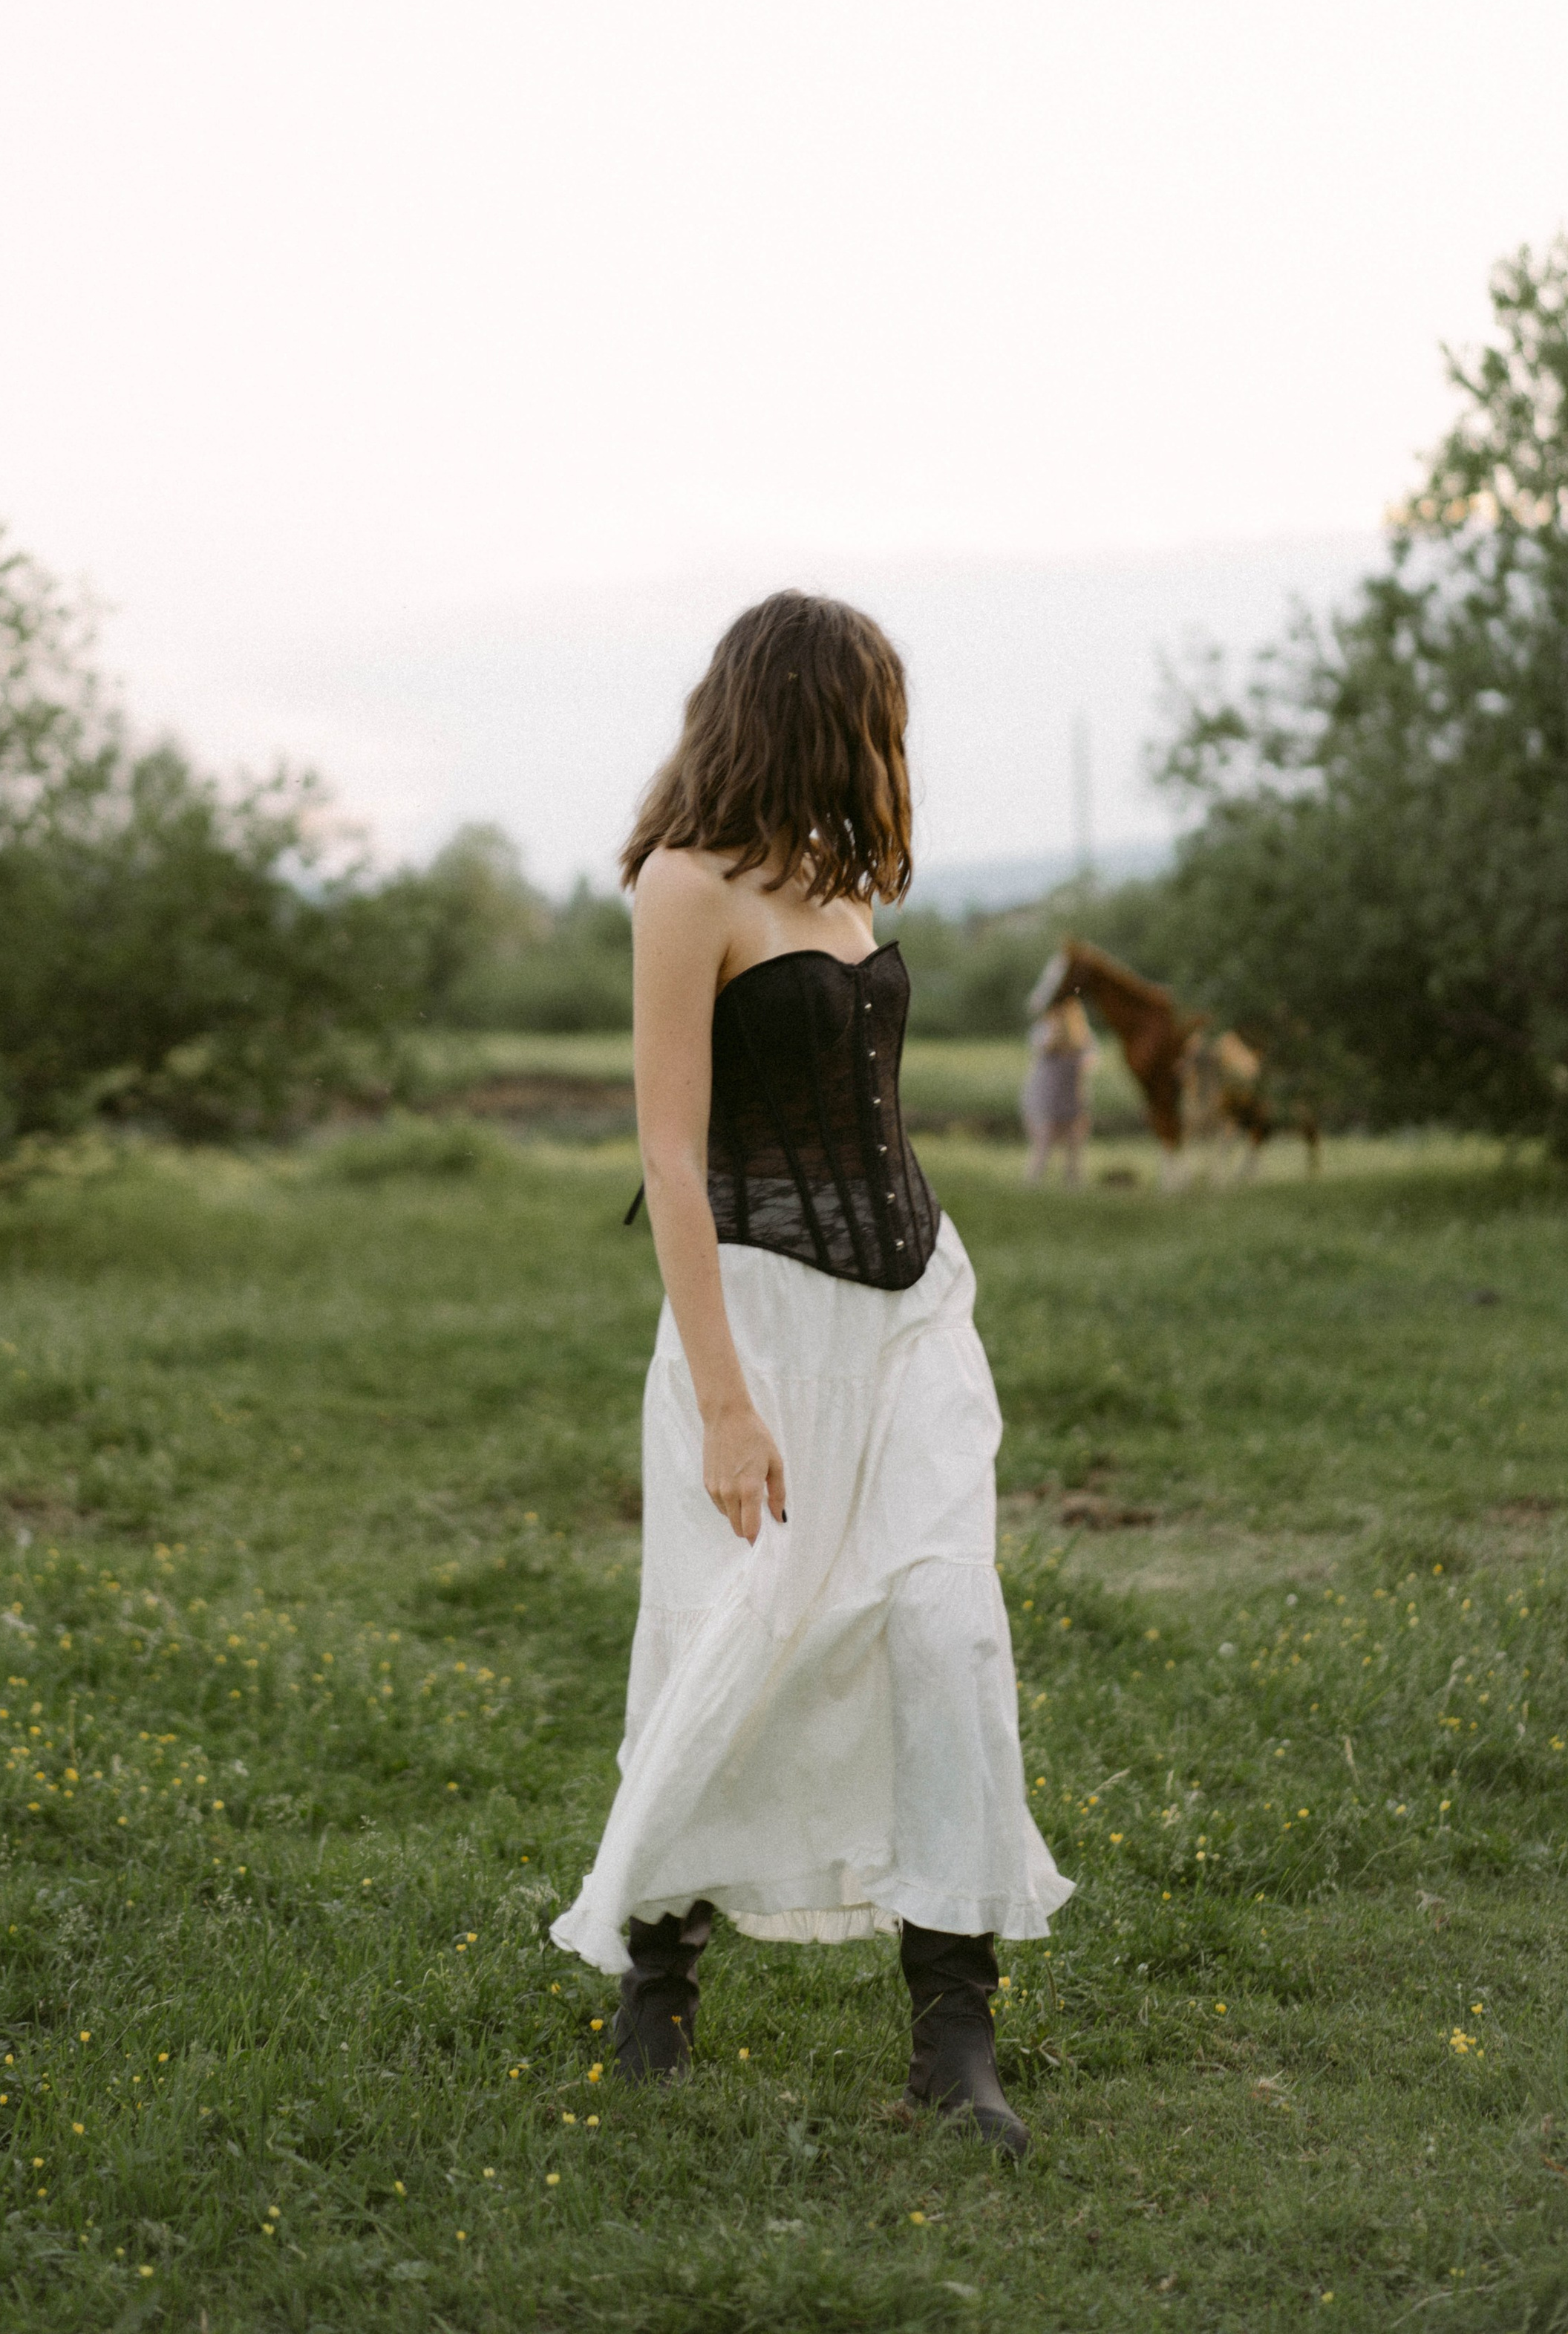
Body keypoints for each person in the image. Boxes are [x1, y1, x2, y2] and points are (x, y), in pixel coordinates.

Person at [549, 591, 1071, 2151]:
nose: (888, 745)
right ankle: (656, 1978)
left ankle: (949, 2027)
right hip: (759, 1319)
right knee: (732, 1628)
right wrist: (722, 1393)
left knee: (941, 1618)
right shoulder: (683, 883)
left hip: (912, 1304)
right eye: (873, 712)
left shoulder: (845, 879)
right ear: (808, 708)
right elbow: (668, 1143)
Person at [1022, 994, 1097, 1186]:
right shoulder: (1044, 1030)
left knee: (1074, 1144)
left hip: (1072, 1096)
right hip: (1047, 1096)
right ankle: (1033, 1183)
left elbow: (1090, 1061)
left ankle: (1073, 1184)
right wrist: (1057, 1031)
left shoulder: (1082, 1034)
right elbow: (1043, 1048)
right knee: (1044, 1142)